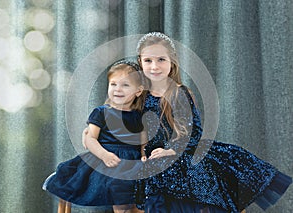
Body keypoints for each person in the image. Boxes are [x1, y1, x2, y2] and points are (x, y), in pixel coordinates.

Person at [82, 32, 292, 213]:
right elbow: (119, 118)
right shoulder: (138, 94)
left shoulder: (179, 93)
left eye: (161, 60)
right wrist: (93, 135)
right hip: (148, 155)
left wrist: (169, 151)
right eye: (148, 61)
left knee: (186, 175)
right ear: (140, 62)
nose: (154, 66)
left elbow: (193, 132)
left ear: (172, 61)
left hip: (180, 151)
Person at [43, 60, 146, 213]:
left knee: (139, 199)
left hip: (132, 160)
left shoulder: (140, 115)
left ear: (138, 91)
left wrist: (144, 154)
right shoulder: (101, 112)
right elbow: (90, 139)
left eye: (125, 85)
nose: (118, 89)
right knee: (119, 197)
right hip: (106, 159)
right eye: (113, 84)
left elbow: (143, 141)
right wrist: (104, 155)